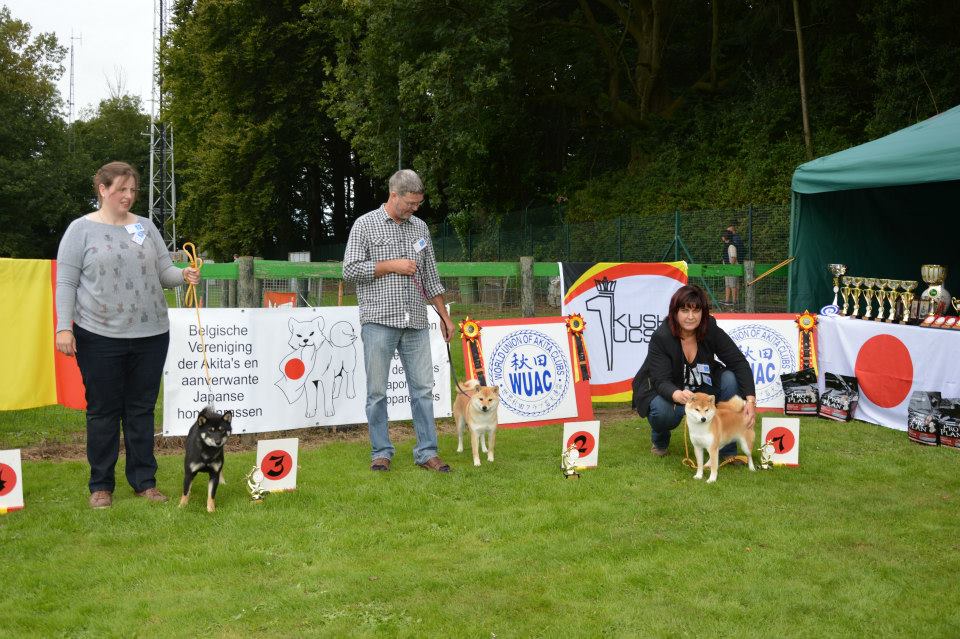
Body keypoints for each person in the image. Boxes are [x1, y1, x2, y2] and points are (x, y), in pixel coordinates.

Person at [55, 161, 201, 509]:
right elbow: (66, 282)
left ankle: (144, 482)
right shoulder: (80, 230)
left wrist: (184, 275)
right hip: (98, 334)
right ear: (102, 190)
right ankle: (101, 486)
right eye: (121, 189)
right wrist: (63, 326)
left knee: (140, 410)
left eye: (133, 189)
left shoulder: (146, 227)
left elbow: (164, 271)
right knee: (103, 412)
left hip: (152, 334)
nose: (128, 195)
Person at [342, 169, 456, 473]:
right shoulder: (364, 225)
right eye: (411, 203)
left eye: (418, 203)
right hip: (378, 320)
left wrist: (445, 318)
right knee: (377, 392)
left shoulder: (420, 228)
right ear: (394, 195)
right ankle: (381, 451)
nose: (415, 209)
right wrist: (390, 265)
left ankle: (427, 452)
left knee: (423, 390)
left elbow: (431, 278)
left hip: (416, 321)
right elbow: (349, 270)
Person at [631, 284, 756, 459]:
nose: (690, 317)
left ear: (703, 313)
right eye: (684, 310)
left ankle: (727, 451)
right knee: (662, 411)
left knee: (730, 378)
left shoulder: (710, 329)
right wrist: (676, 394)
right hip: (670, 388)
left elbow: (738, 362)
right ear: (675, 312)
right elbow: (660, 380)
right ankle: (660, 438)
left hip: (704, 386)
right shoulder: (662, 336)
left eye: (696, 311)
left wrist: (750, 400)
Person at [721, 230, 738, 307]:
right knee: (727, 284)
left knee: (733, 285)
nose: (722, 237)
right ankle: (727, 300)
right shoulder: (726, 245)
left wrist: (731, 267)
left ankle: (734, 301)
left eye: (723, 236)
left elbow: (733, 257)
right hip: (727, 267)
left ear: (725, 237)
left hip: (731, 268)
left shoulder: (731, 246)